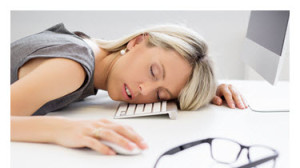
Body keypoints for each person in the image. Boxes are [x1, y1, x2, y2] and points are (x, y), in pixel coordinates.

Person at [10, 23, 247, 155]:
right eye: (154, 71)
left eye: (160, 94)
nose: (144, 89)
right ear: (137, 42)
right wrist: (61, 129)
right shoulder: (73, 67)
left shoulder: (89, 50)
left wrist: (203, 89)